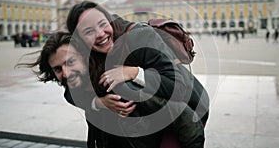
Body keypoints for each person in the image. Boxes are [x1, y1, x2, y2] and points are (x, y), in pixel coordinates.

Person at [16, 31, 205, 148]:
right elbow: (70, 95)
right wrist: (96, 103)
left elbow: (187, 121)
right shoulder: (83, 88)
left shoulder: (122, 87)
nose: (65, 73)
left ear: (85, 57)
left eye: (70, 62)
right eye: (58, 69)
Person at [66, 1, 209, 147]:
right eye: (89, 31)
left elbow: (178, 87)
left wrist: (134, 72)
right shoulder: (83, 52)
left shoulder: (140, 36)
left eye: (103, 24)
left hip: (183, 114)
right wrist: (99, 102)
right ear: (79, 38)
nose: (100, 34)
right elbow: (71, 92)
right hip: (138, 124)